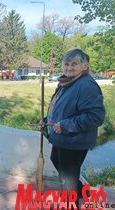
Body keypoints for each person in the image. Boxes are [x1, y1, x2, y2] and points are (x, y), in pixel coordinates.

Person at [45, 49, 105, 208]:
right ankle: (83, 192)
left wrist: (65, 126)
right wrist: (47, 120)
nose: (69, 67)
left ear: (84, 65)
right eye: (66, 64)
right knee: (56, 161)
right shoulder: (66, 82)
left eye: (74, 64)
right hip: (62, 138)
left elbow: (95, 117)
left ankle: (70, 205)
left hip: (74, 140)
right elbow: (61, 107)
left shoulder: (86, 85)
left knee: (67, 179)